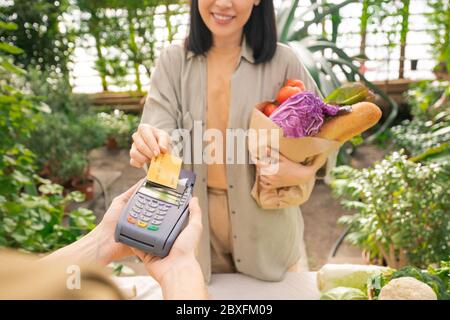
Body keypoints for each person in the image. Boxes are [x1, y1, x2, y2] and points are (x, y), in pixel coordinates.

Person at [130, 0, 328, 282]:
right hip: (192, 233)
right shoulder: (172, 62)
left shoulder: (285, 63)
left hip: (268, 234)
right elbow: (159, 131)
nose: (223, 3)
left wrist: (304, 171)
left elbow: (326, 134)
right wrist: (151, 145)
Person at [0, 180, 208, 300]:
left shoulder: (12, 280)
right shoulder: (91, 290)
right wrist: (180, 270)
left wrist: (103, 241)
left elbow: (22, 286)